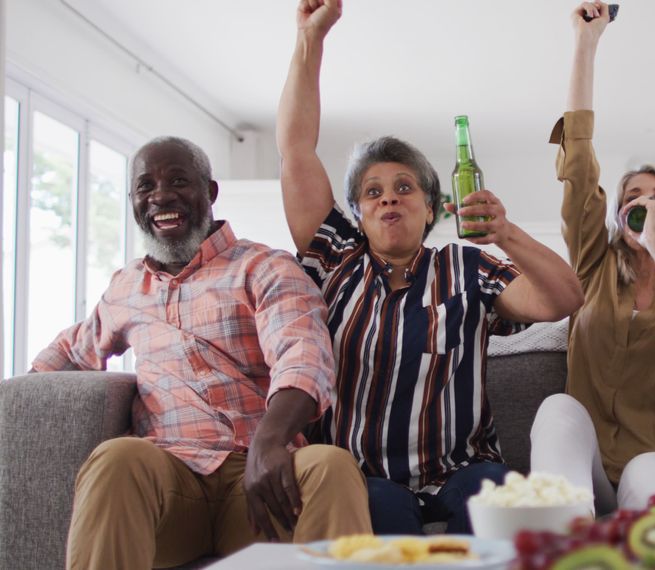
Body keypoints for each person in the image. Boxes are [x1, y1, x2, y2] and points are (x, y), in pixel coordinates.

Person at [277, 0, 584, 535]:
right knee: (385, 519)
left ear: (432, 206)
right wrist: (311, 39)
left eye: (403, 188)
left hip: (465, 471)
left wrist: (507, 233)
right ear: (358, 213)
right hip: (362, 474)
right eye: (373, 193)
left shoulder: (466, 264)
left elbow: (563, 299)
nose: (388, 200)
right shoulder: (336, 257)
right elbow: (295, 150)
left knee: (501, 509)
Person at [30, 137, 372, 569]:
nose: (161, 196)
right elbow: (72, 349)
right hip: (170, 482)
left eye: (178, 180)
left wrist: (270, 442)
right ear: (134, 201)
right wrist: (18, 393)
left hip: (260, 481)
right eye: (145, 187)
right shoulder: (125, 287)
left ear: (209, 193)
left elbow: (302, 356)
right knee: (116, 458)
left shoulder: (263, 267)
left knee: (331, 467)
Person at [529, 1, 655, 516]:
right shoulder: (593, 269)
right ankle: (564, 544)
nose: (643, 204)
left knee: (646, 472)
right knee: (557, 409)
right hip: (600, 474)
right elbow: (578, 167)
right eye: (632, 197)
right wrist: (586, 44)